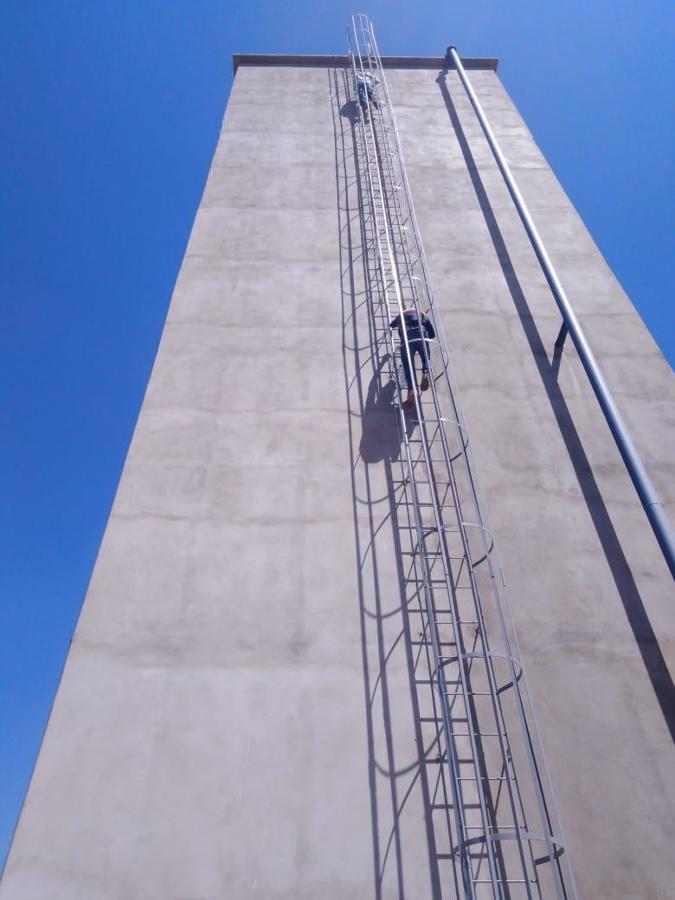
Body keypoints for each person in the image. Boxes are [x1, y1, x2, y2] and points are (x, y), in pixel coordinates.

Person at [389, 307, 436, 410]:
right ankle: (425, 373)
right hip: (421, 332)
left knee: (407, 364)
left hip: (407, 336)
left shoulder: (401, 316)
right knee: (426, 357)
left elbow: (391, 325)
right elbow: (432, 335)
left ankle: (411, 390)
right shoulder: (422, 315)